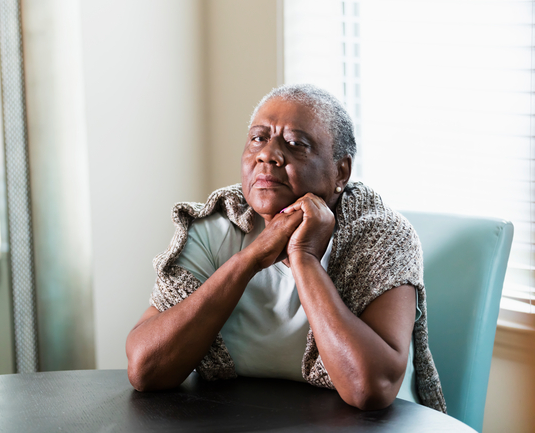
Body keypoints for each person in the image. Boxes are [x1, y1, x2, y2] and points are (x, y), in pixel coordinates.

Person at [125, 84, 446, 412]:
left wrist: (304, 258)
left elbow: (370, 388)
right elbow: (145, 369)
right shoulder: (211, 225)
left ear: (341, 171)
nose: (267, 154)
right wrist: (250, 259)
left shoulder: (382, 239)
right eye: (258, 138)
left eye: (295, 144)